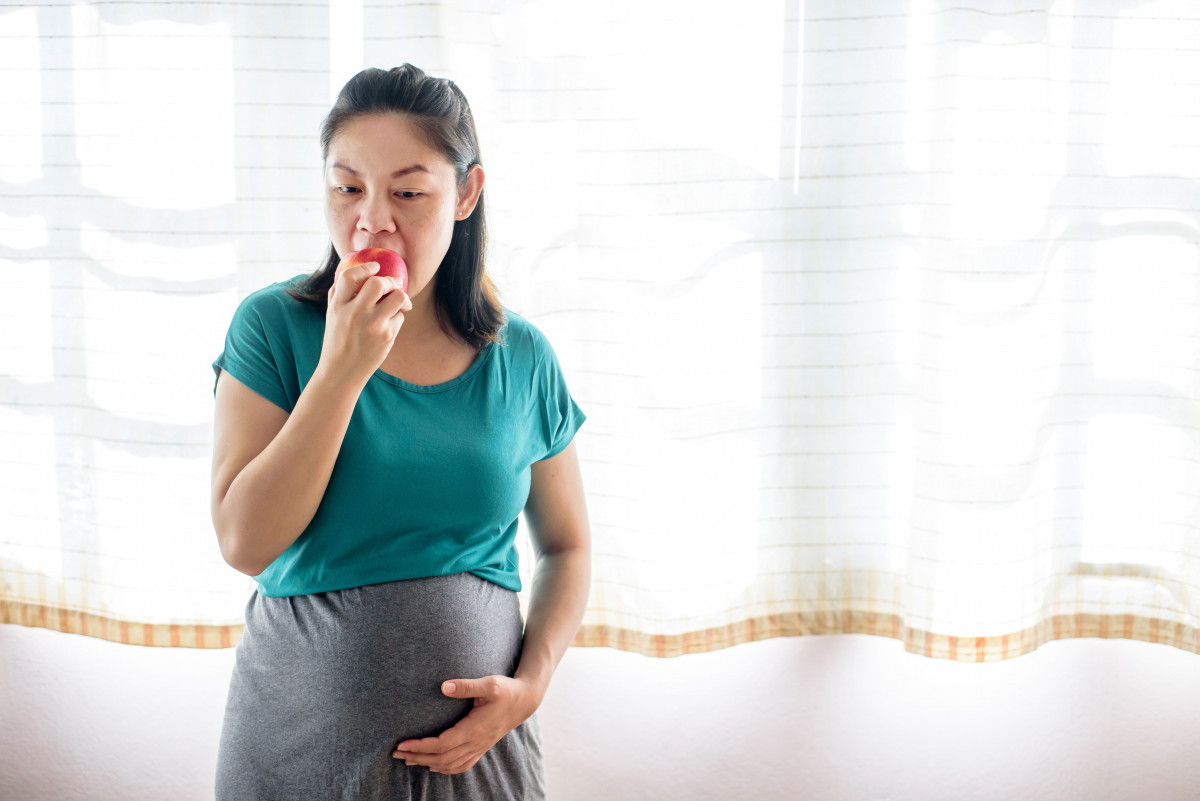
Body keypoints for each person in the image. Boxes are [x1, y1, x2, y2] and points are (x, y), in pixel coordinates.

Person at [209, 64, 589, 800]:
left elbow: (568, 546)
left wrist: (531, 685)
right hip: (296, 751)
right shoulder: (273, 328)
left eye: (408, 193)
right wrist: (343, 370)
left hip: (480, 764)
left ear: (467, 193)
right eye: (347, 187)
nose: (370, 220)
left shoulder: (524, 358)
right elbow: (244, 540)